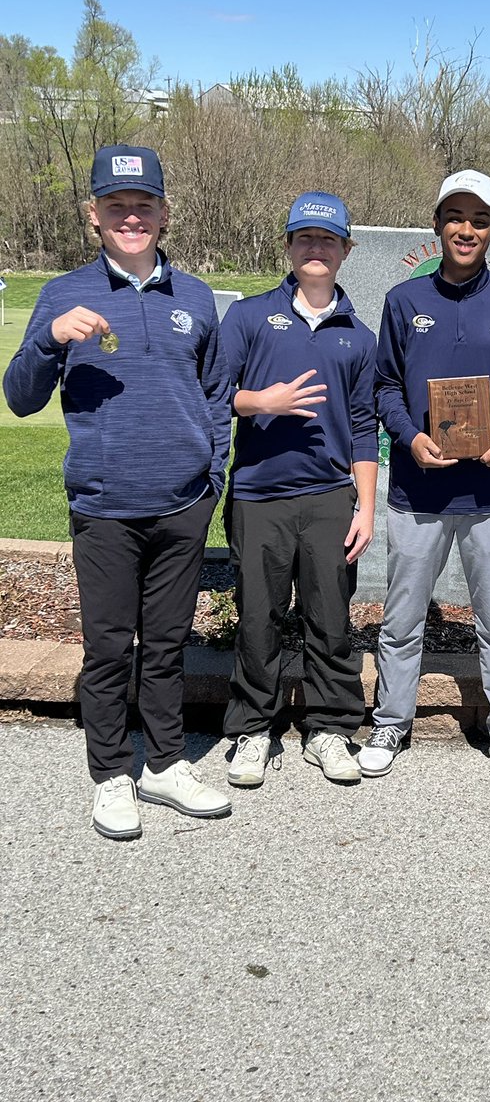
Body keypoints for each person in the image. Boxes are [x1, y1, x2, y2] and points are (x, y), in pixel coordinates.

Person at [3, 144, 233, 840]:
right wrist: (47, 339)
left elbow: (217, 395)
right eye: (115, 206)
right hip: (104, 505)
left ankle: (163, 765)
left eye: (143, 205)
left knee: (166, 646)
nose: (130, 217)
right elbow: (18, 398)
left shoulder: (193, 297)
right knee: (109, 649)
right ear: (94, 216)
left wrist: (210, 478)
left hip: (183, 504)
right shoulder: (62, 294)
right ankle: (111, 775)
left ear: (163, 214)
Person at [358, 170, 490, 785]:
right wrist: (409, 438)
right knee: (404, 618)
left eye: (479, 219)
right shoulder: (404, 302)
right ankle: (391, 721)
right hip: (419, 491)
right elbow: (384, 385)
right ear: (437, 226)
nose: (466, 230)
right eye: (455, 218)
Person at [220, 192, 377, 788]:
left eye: (328, 239)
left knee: (329, 619)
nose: (316, 248)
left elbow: (365, 428)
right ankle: (253, 730)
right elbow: (215, 395)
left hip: (330, 497)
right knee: (258, 617)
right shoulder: (250, 318)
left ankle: (331, 729)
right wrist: (264, 402)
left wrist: (364, 506)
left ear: (344, 251)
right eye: (305, 238)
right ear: (288, 245)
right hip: (260, 495)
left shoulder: (359, 337)